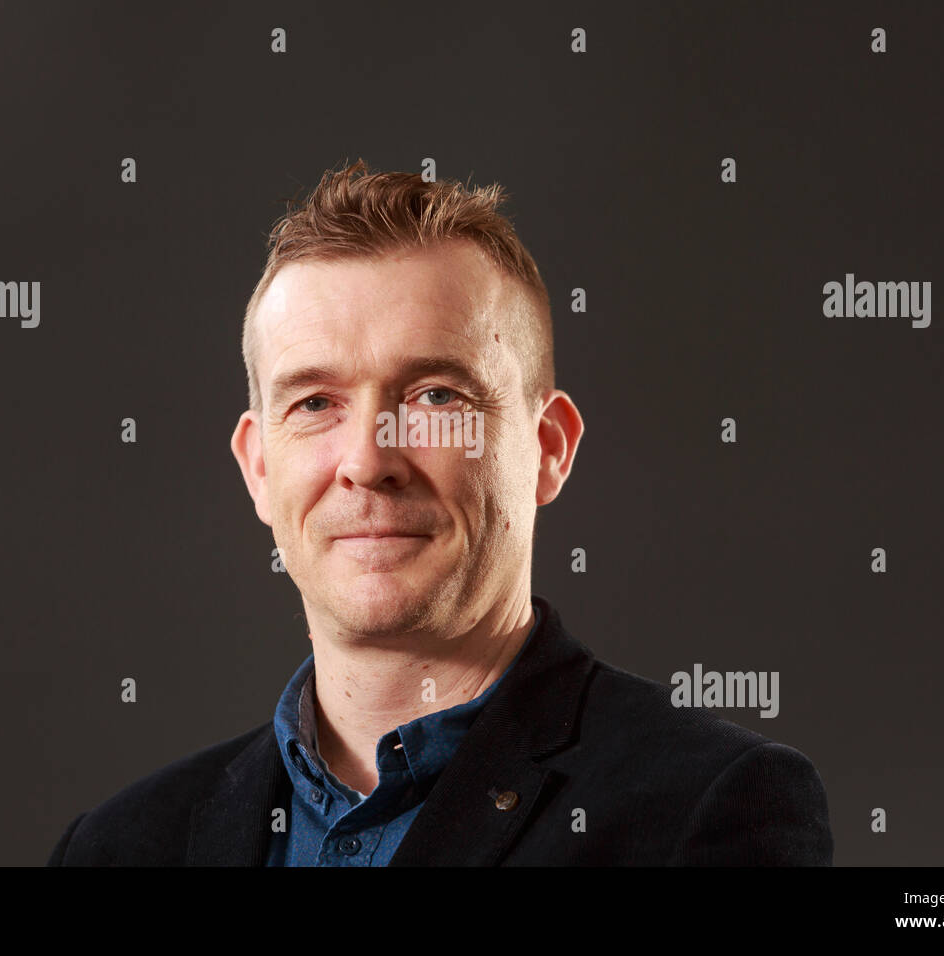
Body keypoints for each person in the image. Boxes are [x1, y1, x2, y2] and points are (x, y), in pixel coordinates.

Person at [47, 159, 833, 865]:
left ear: (549, 447)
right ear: (257, 466)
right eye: (316, 402)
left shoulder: (708, 808)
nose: (368, 460)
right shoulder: (119, 847)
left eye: (433, 396)